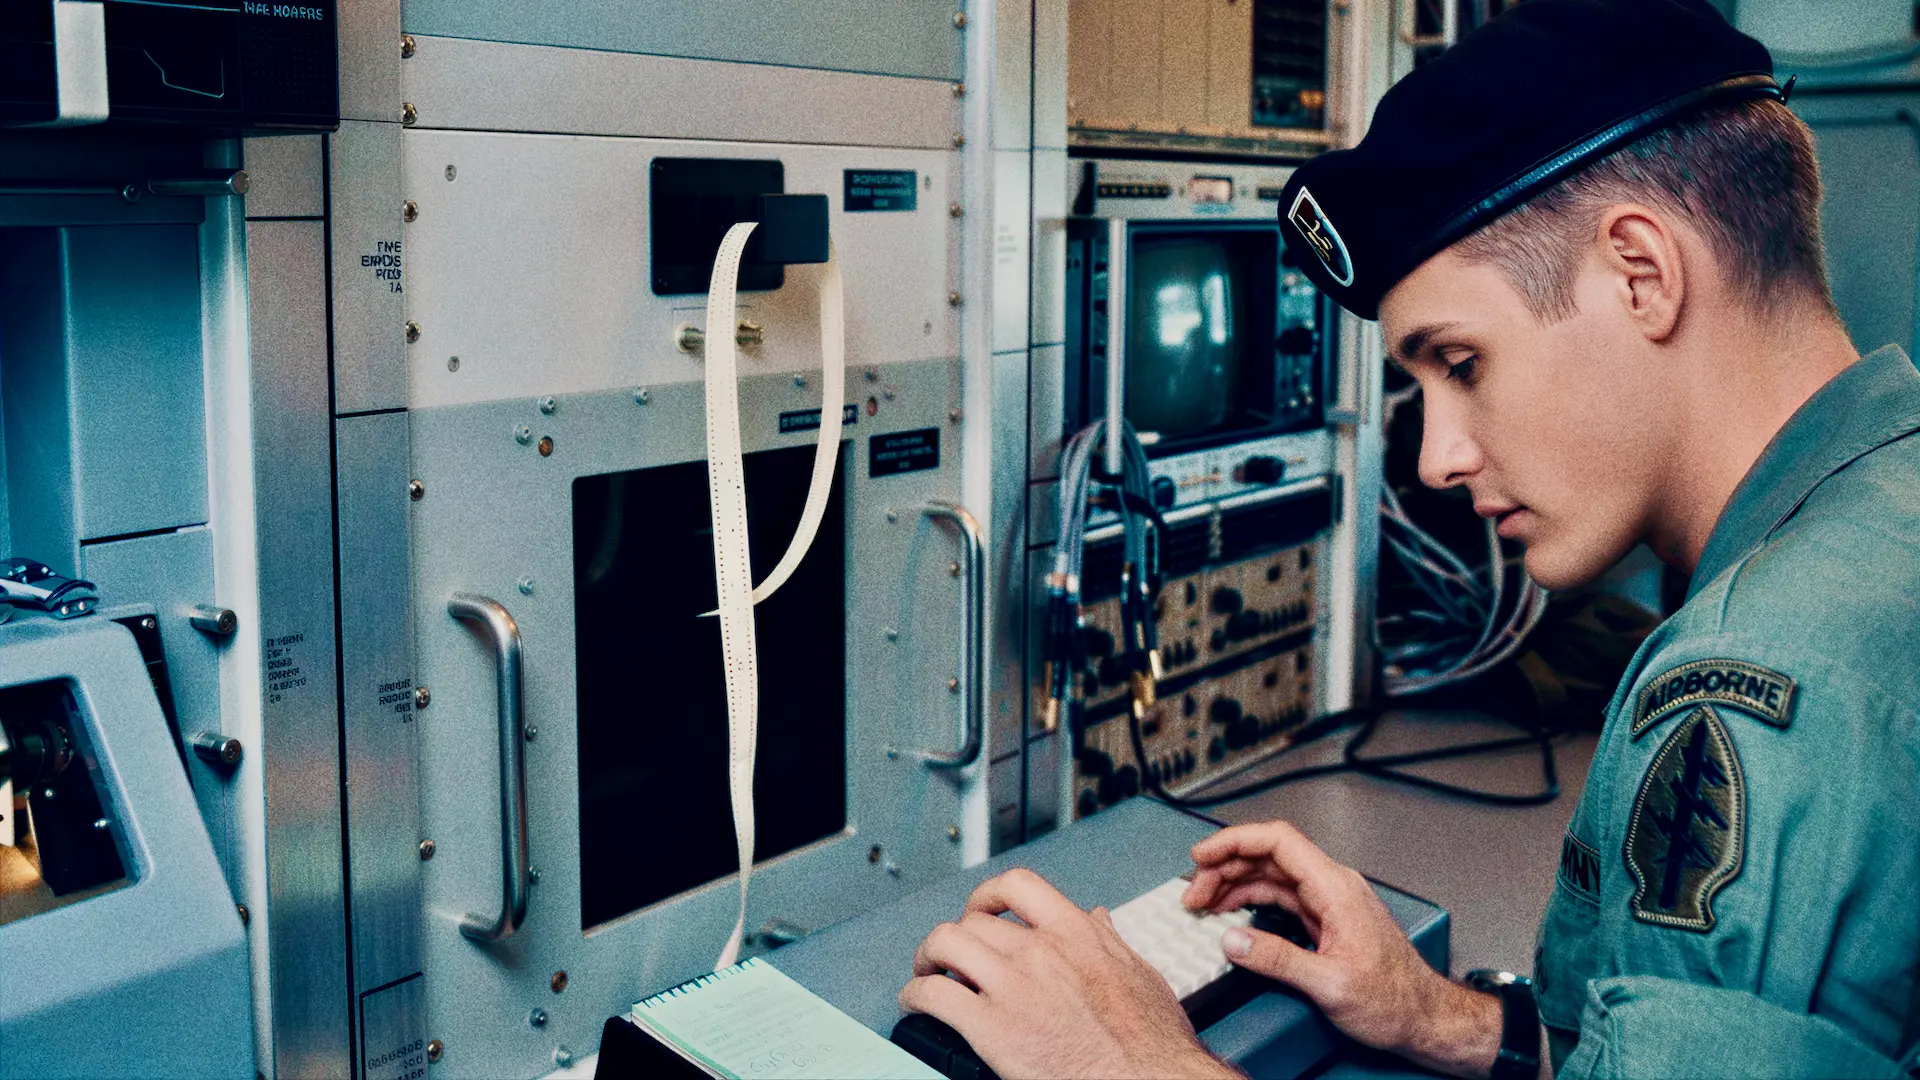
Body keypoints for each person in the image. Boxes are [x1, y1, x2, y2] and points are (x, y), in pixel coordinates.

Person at [897, 1, 1920, 1076]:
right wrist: (1442, 1016)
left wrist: (1132, 1063)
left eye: (1461, 364)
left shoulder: (1765, 676)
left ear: (1642, 274)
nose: (1436, 458)